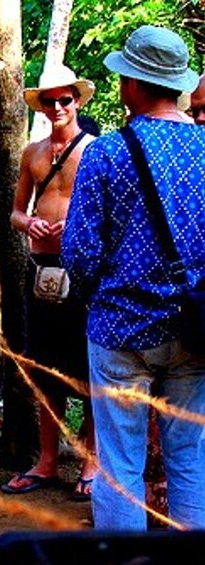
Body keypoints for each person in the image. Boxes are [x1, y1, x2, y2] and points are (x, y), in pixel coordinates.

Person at [62, 25, 205, 530]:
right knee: (190, 458)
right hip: (195, 330)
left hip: (120, 330)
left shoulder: (106, 152)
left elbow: (79, 252)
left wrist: (93, 296)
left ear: (136, 84)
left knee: (120, 466)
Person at [2, 65, 97, 502]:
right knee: (45, 367)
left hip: (83, 271)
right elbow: (15, 212)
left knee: (89, 367)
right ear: (40, 106)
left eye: (65, 100)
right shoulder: (32, 153)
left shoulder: (97, 151)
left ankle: (91, 461)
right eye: (49, 101)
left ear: (77, 102)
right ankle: (46, 460)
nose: (57, 107)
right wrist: (30, 226)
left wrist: (75, 229)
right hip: (42, 270)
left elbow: (108, 214)